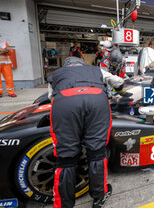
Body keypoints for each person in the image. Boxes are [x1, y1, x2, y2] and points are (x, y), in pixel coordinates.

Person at [47, 57, 124, 208]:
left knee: (65, 157)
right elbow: (118, 82)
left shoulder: (56, 74)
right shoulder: (96, 69)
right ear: (83, 64)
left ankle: (63, 205)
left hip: (65, 103)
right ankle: (98, 198)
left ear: (66, 65)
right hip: (96, 100)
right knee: (97, 152)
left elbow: (51, 97)